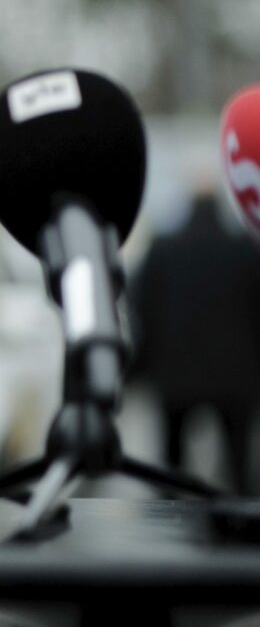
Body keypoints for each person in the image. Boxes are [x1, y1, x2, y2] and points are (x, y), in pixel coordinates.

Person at [129, 185, 260, 494]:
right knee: (240, 470)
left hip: (175, 375)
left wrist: (143, 365)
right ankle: (242, 520)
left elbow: (142, 307)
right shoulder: (245, 249)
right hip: (236, 377)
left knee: (171, 468)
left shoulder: (163, 247)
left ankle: (170, 515)